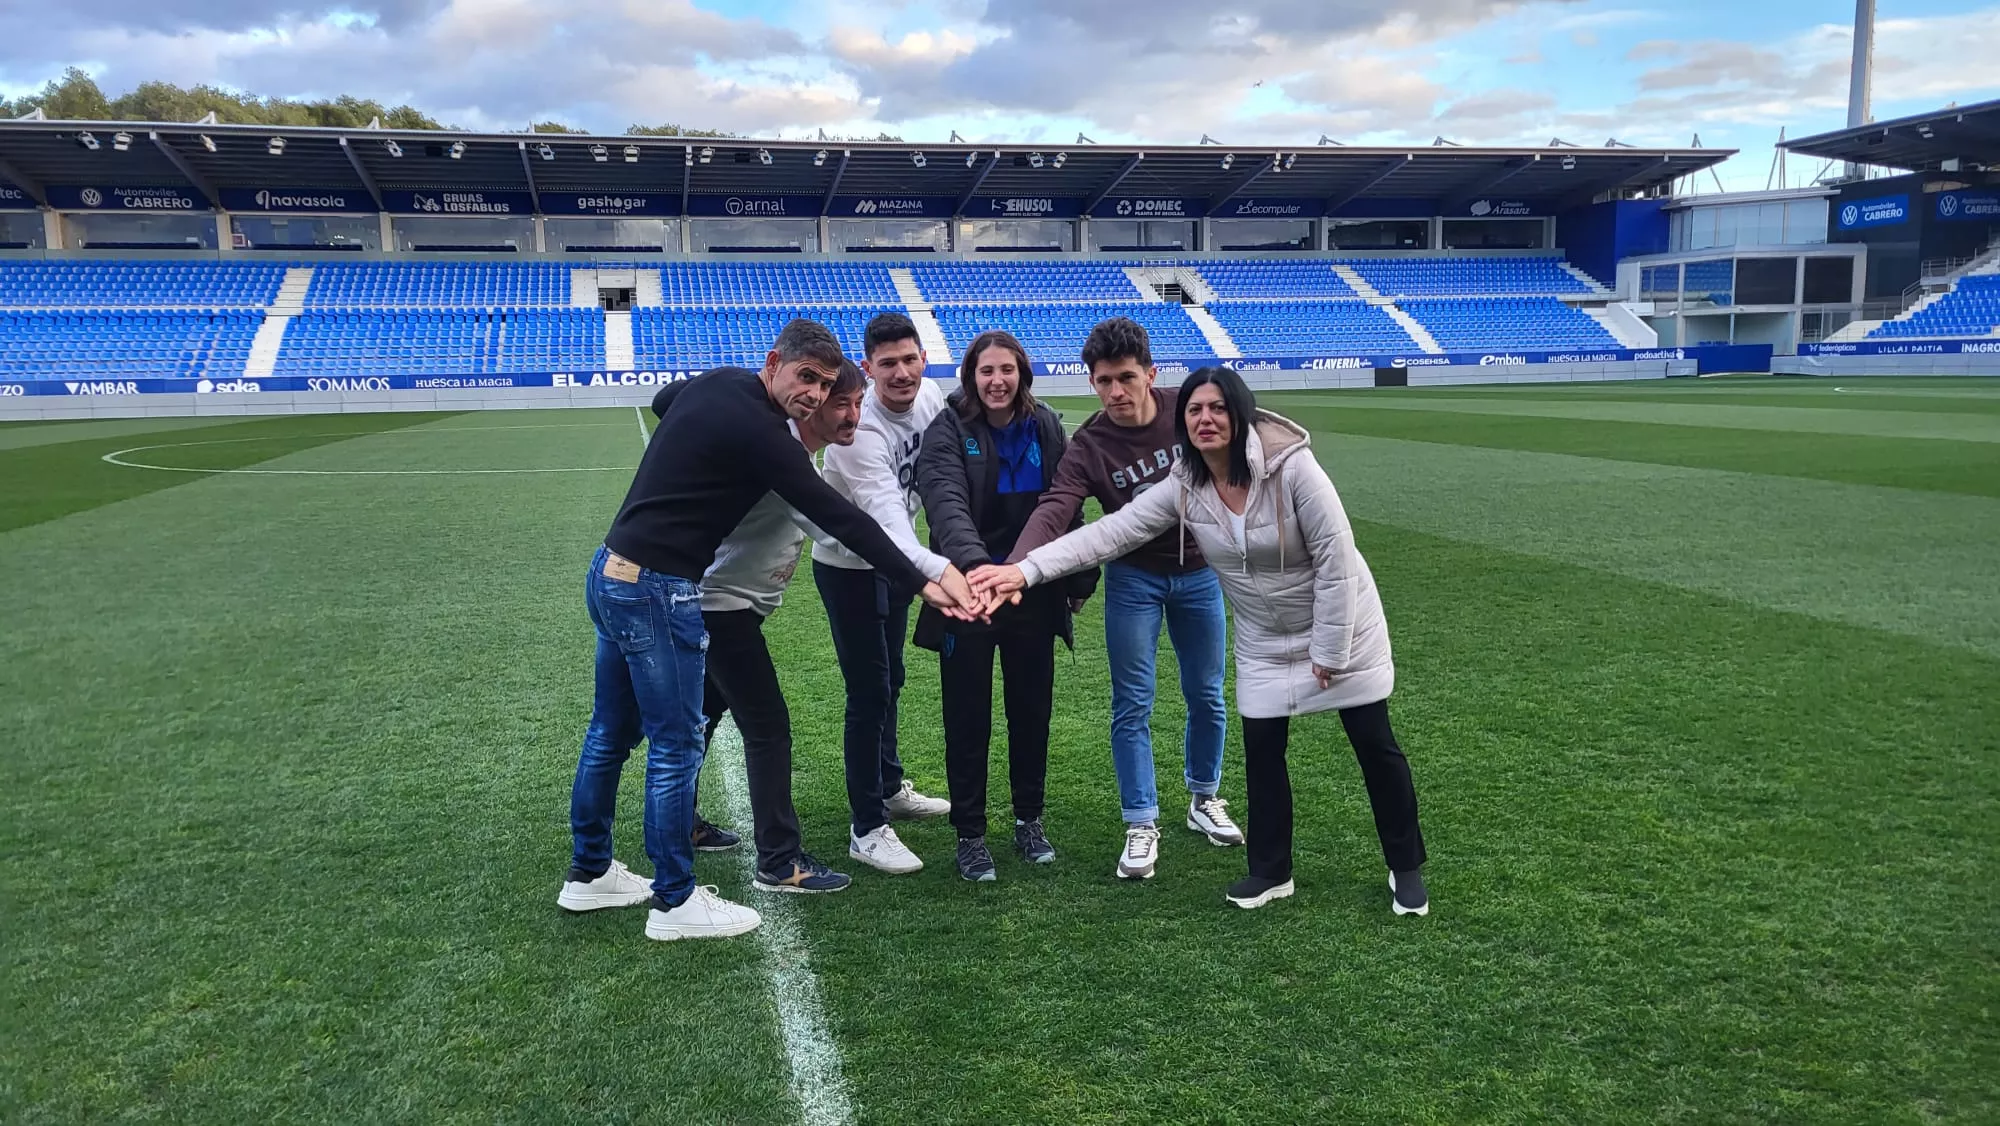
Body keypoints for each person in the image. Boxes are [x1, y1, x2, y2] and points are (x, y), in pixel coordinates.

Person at [558, 319, 970, 943]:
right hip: (659, 588)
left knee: (611, 733)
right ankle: (675, 901)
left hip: (612, 568)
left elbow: (665, 400)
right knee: (675, 745)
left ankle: (588, 872)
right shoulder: (766, 433)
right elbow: (840, 518)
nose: (813, 394)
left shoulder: (722, 385)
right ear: (774, 362)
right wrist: (924, 580)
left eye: (826, 384)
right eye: (807, 379)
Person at [971, 367, 1431, 916]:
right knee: (1262, 751)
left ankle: (1405, 868)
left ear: (1240, 415)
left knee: (1373, 744)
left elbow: (1336, 557)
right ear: (1182, 422)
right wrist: (1023, 572)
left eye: (1217, 409)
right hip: (1264, 634)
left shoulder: (1294, 468)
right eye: (1194, 411)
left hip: (1341, 622)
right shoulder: (1185, 482)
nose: (1205, 420)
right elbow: (1111, 533)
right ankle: (1270, 871)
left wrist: (1329, 650)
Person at [1007, 317, 1236, 882]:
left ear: (1151, 375)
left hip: (1201, 572)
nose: (1115, 392)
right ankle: (1141, 821)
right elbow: (1057, 508)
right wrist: (1015, 567)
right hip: (1133, 579)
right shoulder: (1089, 444)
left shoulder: (1189, 411)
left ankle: (1204, 797)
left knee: (1206, 693)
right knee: (1132, 702)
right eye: (1104, 380)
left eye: (1126, 378)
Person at [689, 360, 902, 894]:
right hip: (720, 605)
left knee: (705, 714)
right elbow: (833, 530)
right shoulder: (783, 458)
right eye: (840, 403)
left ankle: (680, 821)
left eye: (858, 403)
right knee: (767, 727)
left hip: (723, 603)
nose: (853, 415)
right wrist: (919, 564)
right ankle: (780, 862)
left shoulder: (790, 450)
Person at [914, 329, 1097, 882]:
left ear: (1022, 373)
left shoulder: (1043, 424)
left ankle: (1028, 820)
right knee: (967, 718)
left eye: (1007, 370)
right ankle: (970, 835)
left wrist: (1079, 576)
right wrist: (980, 575)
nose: (997, 381)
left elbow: (1066, 503)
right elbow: (946, 509)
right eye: (986, 371)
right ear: (971, 376)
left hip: (1032, 592)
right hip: (967, 595)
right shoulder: (947, 429)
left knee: (1031, 711)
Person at [812, 313, 956, 876]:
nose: (901, 373)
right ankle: (866, 827)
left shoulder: (933, 398)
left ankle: (889, 785)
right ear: (867, 368)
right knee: (869, 691)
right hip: (849, 566)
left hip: (897, 565)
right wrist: (941, 572)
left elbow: (944, 476)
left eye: (909, 359)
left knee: (891, 677)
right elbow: (887, 523)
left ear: (923, 357)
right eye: (887, 364)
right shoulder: (856, 431)